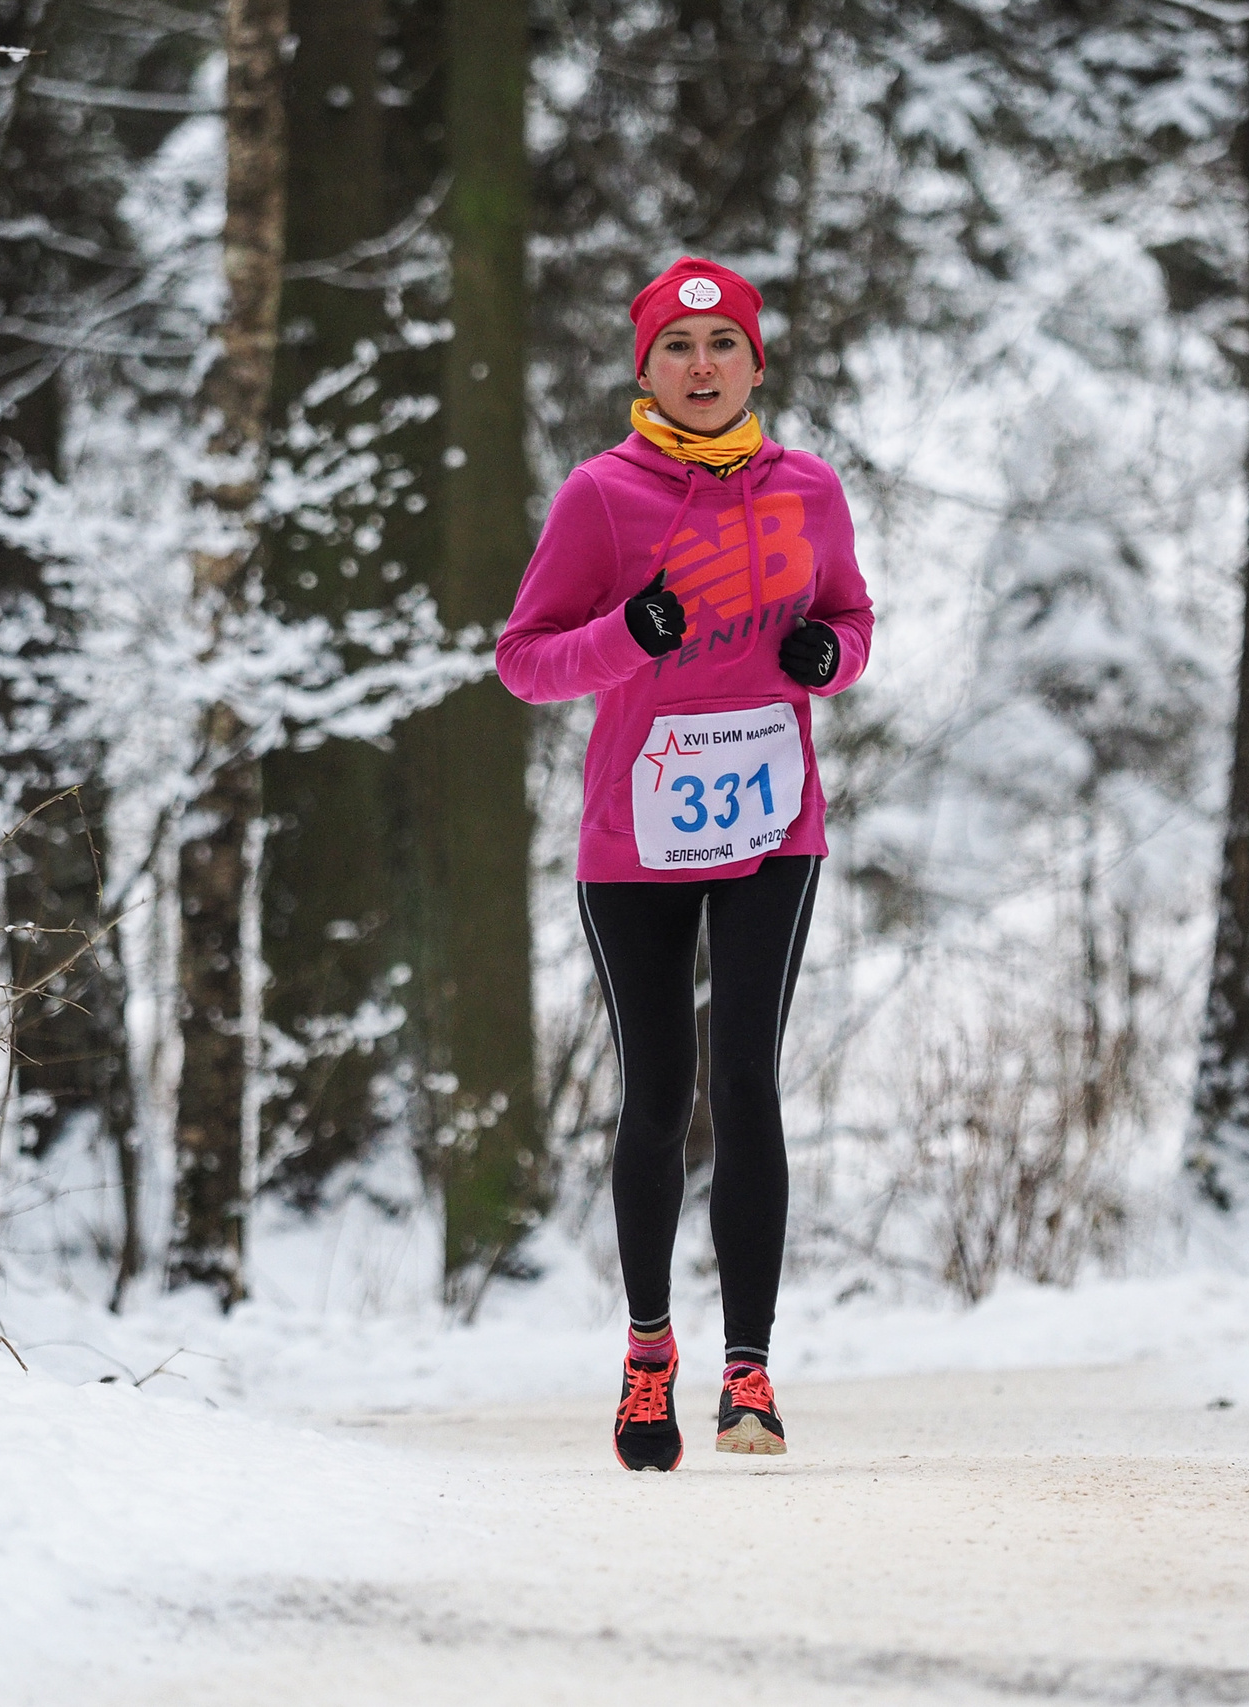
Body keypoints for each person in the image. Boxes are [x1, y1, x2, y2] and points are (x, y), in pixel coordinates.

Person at [495, 258, 874, 1470]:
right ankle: (649, 1351)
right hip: (635, 835)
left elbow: (854, 619)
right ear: (643, 368)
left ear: (757, 364)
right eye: (677, 348)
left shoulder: (809, 489)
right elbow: (523, 659)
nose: (702, 367)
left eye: (723, 347)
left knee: (749, 1085)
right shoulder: (600, 498)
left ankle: (750, 1374)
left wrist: (826, 657)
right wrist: (624, 635)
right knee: (659, 1095)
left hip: (771, 822)